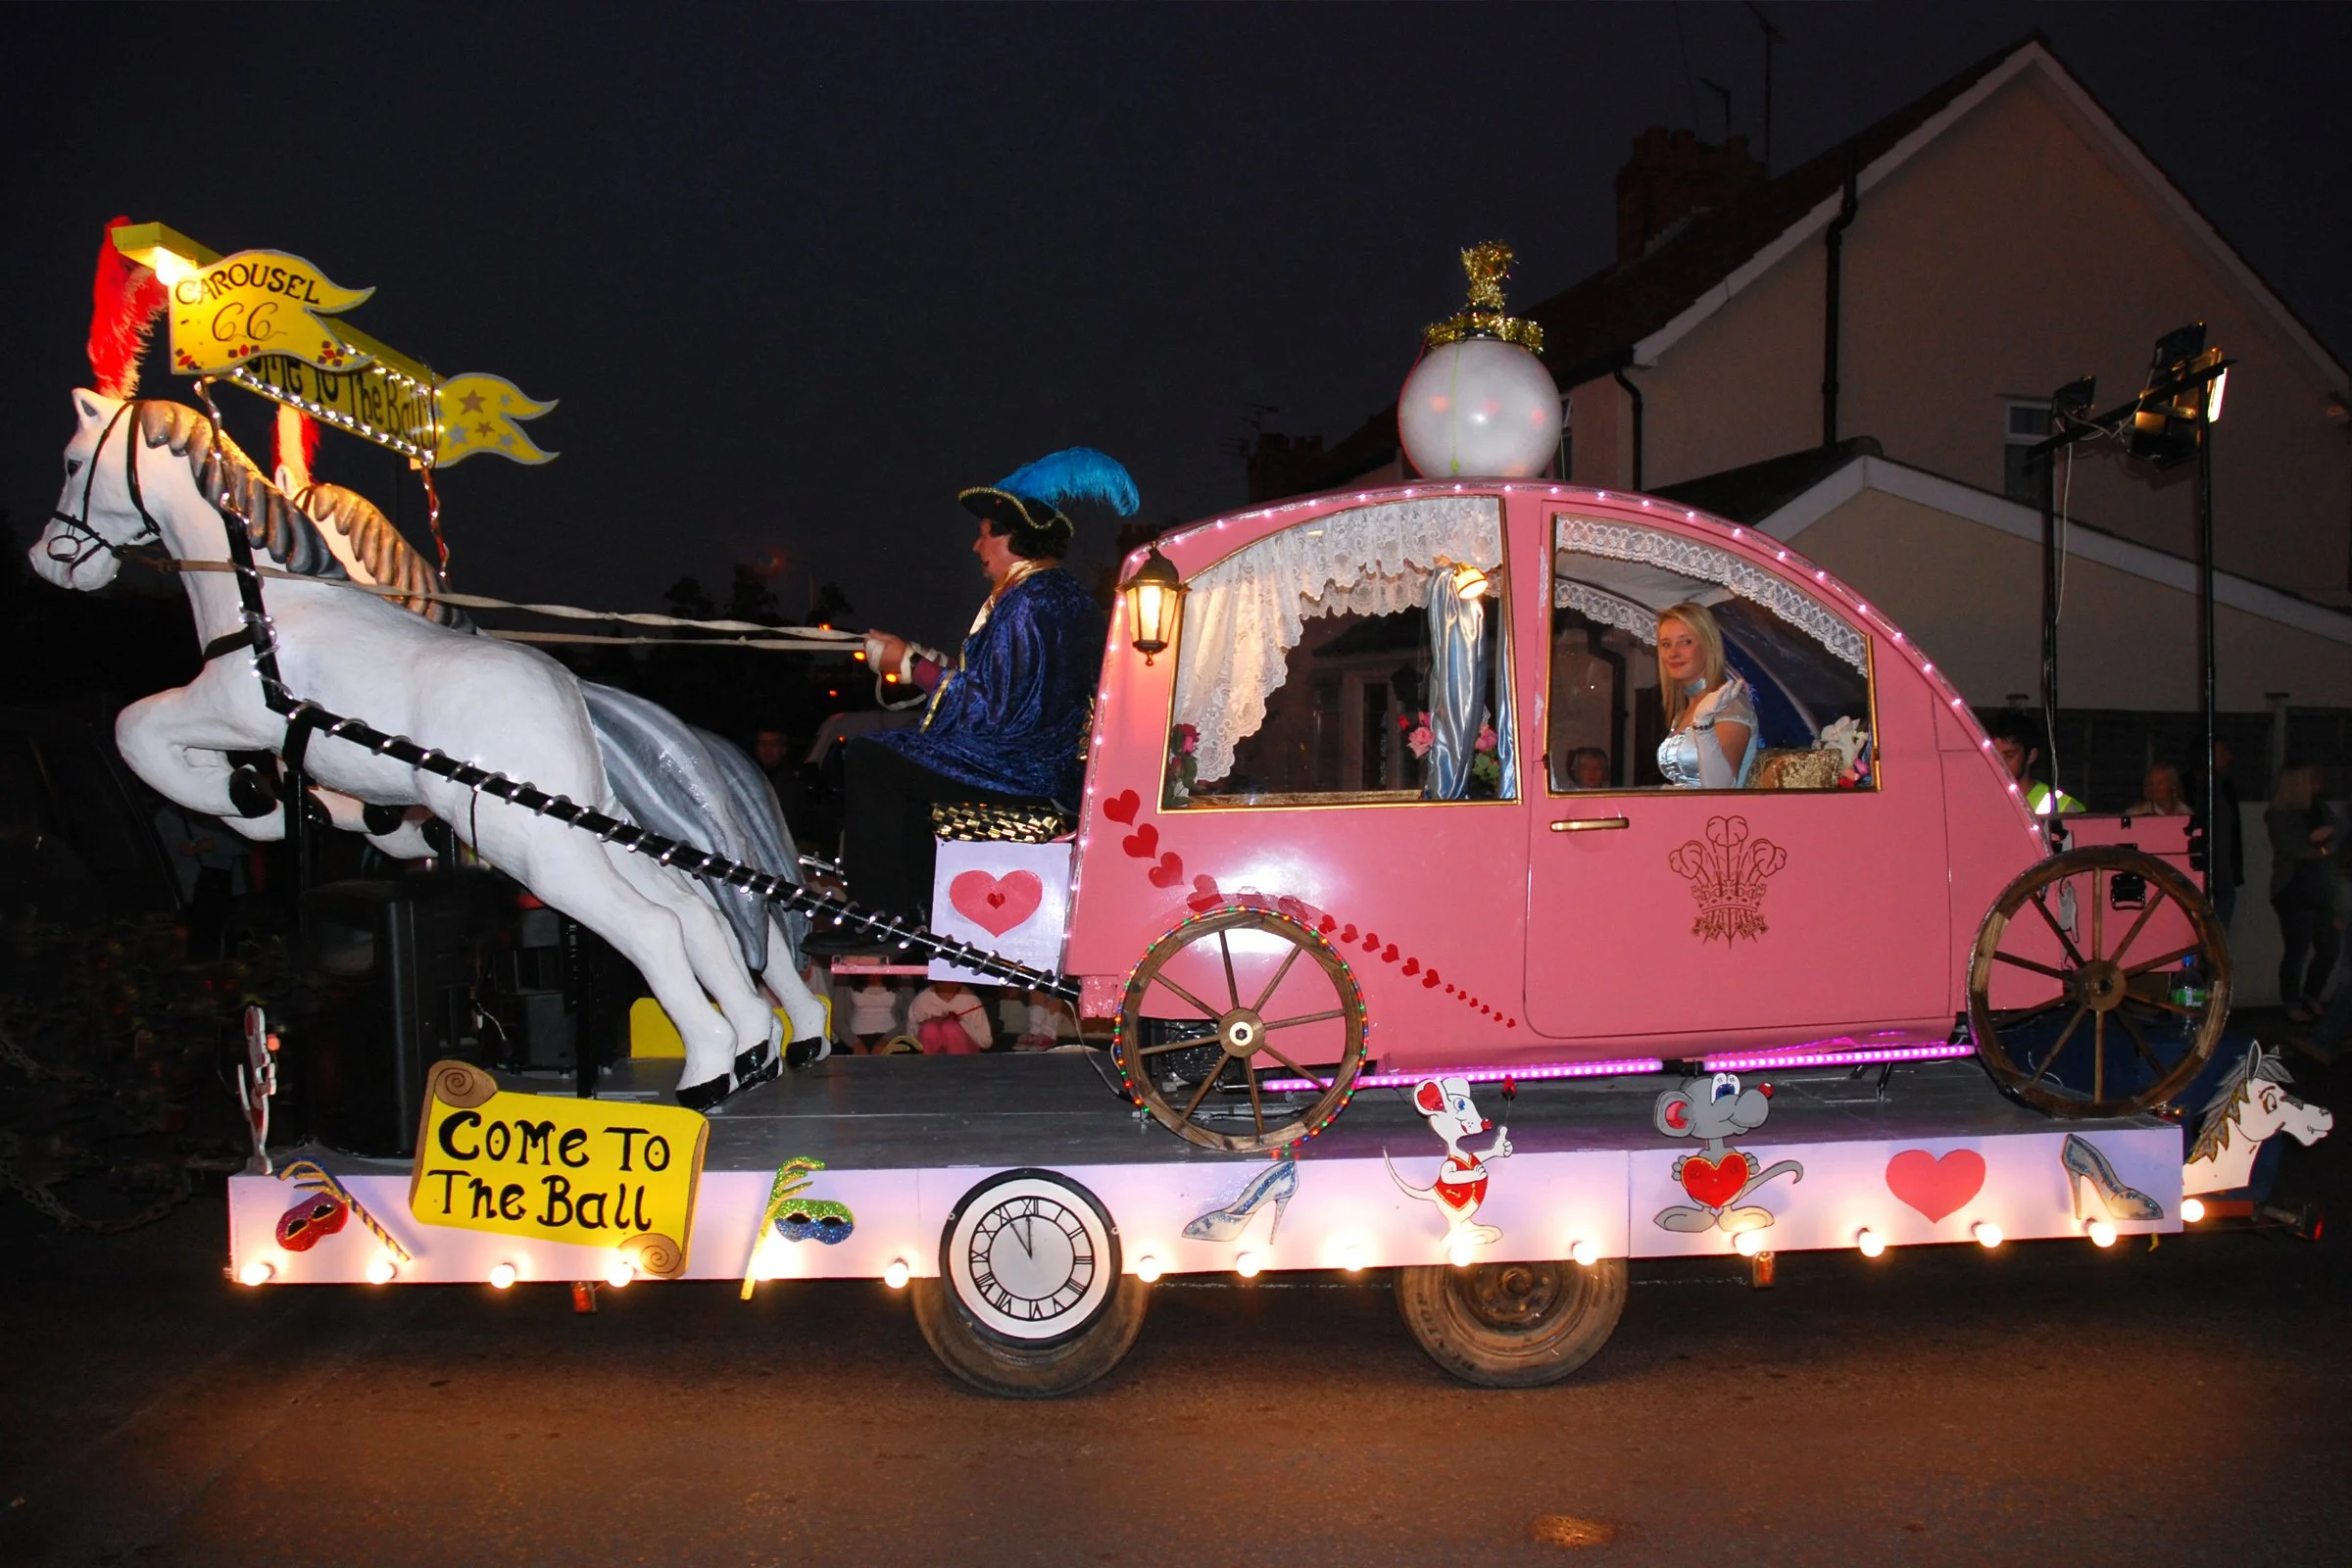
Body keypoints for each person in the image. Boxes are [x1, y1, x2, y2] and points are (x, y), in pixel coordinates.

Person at [839, 449, 1135, 922]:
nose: (976, 548)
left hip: (1020, 768)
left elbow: (996, 712)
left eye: (984, 535)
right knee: (902, 759)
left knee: (869, 758)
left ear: (1013, 537)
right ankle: (914, 907)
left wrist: (912, 665)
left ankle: (881, 916)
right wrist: (931, 665)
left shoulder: (1030, 602)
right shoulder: (1059, 595)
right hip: (1040, 764)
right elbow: (1010, 689)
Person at [1654, 602, 1757, 788]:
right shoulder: (1682, 714)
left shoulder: (1729, 705)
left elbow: (1719, 789)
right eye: (1666, 644)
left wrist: (1703, 727)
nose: (1673, 653)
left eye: (1686, 642)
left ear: (1708, 646)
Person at [2266, 762, 2336, 1023]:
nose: (2319, 783)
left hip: (2321, 888)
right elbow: (2294, 849)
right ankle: (2292, 1001)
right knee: (2297, 948)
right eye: (2313, 779)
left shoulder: (2319, 808)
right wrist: (2323, 847)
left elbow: (2339, 831)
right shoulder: (2279, 814)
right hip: (2293, 889)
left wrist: (2327, 841)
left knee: (2329, 947)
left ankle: (2311, 994)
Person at [1986, 712, 2083, 815]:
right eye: (1994, 756)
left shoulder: (2061, 807)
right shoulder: (1984, 801)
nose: (2000, 763)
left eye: (2010, 755)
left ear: (2031, 756)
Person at [907, 979, 992, 1055]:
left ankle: (959, 1068)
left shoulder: (970, 1000)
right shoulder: (922, 1000)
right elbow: (910, 1037)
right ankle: (928, 1068)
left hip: (964, 1056)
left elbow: (985, 1041)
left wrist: (961, 1023)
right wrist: (928, 1022)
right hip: (929, 1055)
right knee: (930, 1029)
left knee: (950, 1028)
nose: (947, 983)